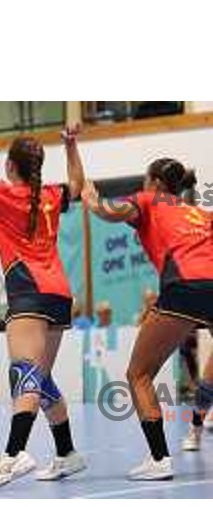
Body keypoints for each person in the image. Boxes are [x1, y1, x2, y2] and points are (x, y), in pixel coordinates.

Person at [0, 125, 87, 490]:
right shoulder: (52, 195)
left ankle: (13, 456)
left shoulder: (0, 193)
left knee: (23, 375)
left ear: (9, 165)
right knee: (39, 379)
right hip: (58, 294)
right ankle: (67, 454)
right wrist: (71, 146)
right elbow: (79, 185)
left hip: (29, 292)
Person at [83, 157, 213, 478]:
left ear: (155, 183)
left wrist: (89, 196)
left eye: (145, 179)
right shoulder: (201, 213)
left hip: (184, 288)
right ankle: (195, 429)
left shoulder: (149, 199)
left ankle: (159, 460)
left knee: (138, 374)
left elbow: (105, 211)